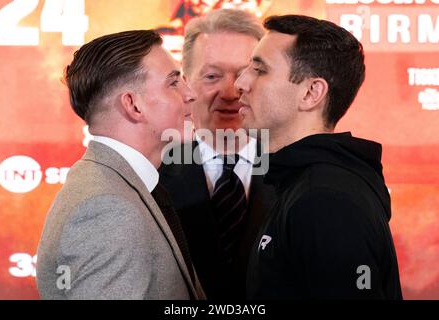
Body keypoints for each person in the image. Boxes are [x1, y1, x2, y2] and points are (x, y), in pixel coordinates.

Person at [235, 14, 403, 299]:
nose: (240, 83)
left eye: (260, 70)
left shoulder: (324, 198)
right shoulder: (304, 184)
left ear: (312, 93)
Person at [36, 30, 206, 300]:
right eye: (173, 83)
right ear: (133, 105)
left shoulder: (118, 186)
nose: (191, 94)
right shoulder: (107, 209)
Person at [159, 9, 276, 299]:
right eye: (212, 76)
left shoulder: (302, 174)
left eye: (247, 73)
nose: (231, 92)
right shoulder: (152, 176)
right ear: (185, 84)